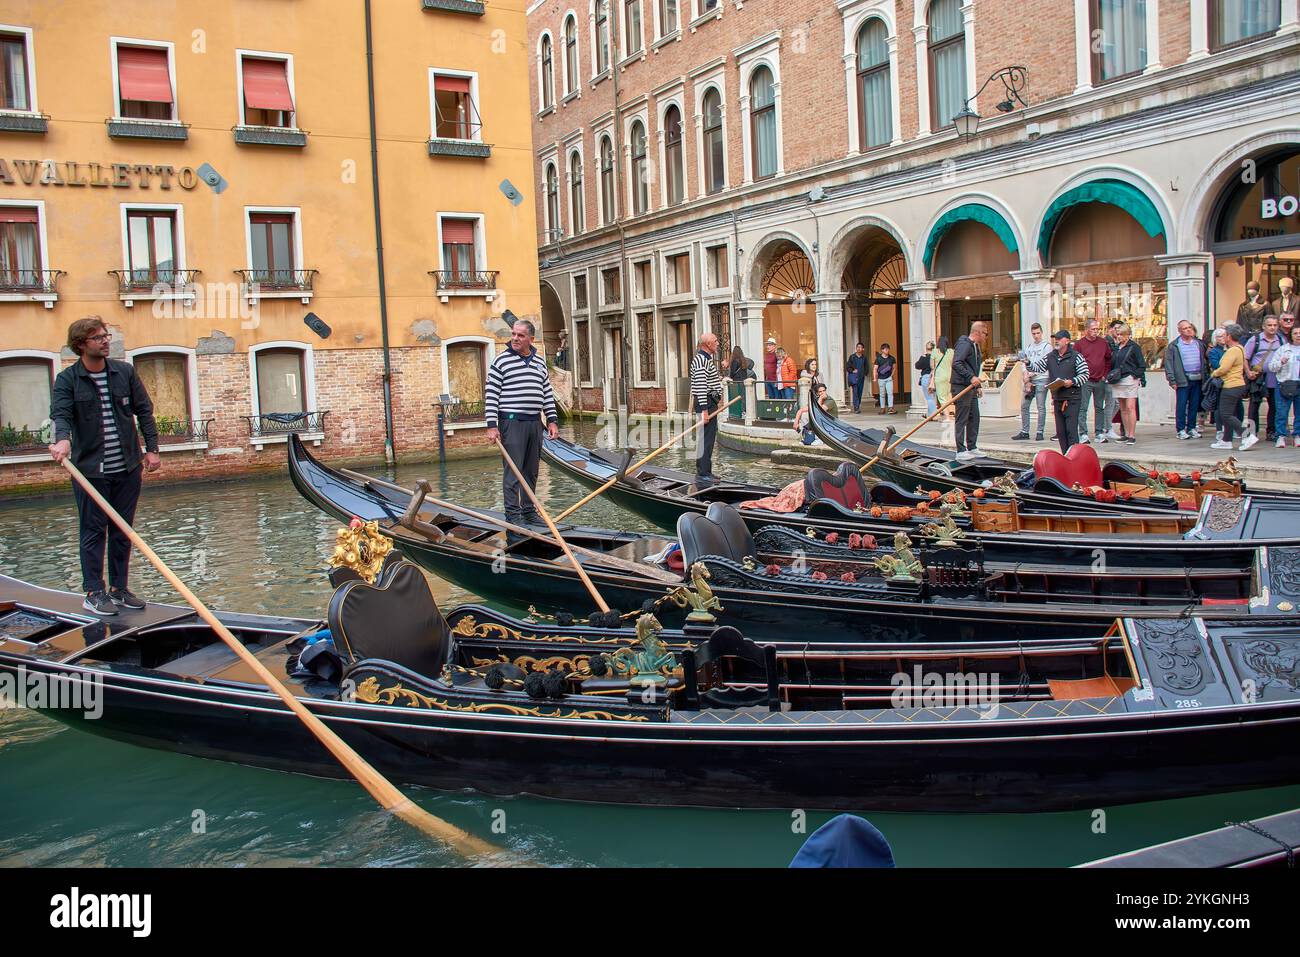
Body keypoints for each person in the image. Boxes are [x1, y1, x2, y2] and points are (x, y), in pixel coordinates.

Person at [48, 317, 161, 616]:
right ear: (81, 345)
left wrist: (152, 450)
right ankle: (94, 592)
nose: (105, 341)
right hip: (90, 472)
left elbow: (144, 412)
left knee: (123, 530)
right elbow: (61, 415)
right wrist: (63, 441)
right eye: (98, 338)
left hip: (127, 467)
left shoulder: (124, 372)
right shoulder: (68, 380)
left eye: (106, 336)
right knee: (93, 531)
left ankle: (119, 589)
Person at [485, 319, 560, 530]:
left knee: (531, 471)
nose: (515, 338)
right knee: (513, 471)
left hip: (534, 423)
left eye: (520, 335)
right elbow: (491, 394)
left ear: (531, 339)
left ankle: (528, 511)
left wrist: (552, 420)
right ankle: (513, 514)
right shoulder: (501, 361)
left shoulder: (539, 362)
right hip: (511, 423)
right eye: (513, 334)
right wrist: (492, 425)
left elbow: (546, 393)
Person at [1026, 330, 1089, 453]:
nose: (1056, 341)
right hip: (1058, 398)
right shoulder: (1051, 356)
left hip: (1072, 398)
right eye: (1055, 338)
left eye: (1059, 338)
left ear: (1067, 341)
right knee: (1060, 432)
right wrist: (1028, 363)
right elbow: (1038, 367)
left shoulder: (1076, 356)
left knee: (1071, 430)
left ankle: (1074, 457)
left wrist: (1072, 381)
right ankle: (1065, 456)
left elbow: (1085, 374)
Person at [1210, 323, 1255, 452]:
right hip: (1237, 384)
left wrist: (1214, 373)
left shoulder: (1233, 350)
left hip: (1231, 385)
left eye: (1224, 335)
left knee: (1225, 414)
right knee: (1228, 413)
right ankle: (1226, 440)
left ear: (1229, 336)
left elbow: (1224, 368)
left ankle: (1247, 435)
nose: (1223, 337)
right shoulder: (1240, 348)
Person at [949, 321, 988, 460]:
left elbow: (973, 367)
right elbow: (956, 363)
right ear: (978, 332)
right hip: (961, 386)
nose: (986, 337)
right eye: (985, 333)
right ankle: (960, 450)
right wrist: (971, 378)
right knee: (962, 417)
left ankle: (972, 446)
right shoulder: (965, 344)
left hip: (970, 387)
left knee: (974, 417)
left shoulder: (975, 346)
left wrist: (977, 385)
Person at [690, 332, 724, 482]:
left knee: (707, 438)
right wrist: (704, 410)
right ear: (708, 344)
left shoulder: (705, 359)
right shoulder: (700, 360)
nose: (718, 343)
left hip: (709, 402)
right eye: (715, 341)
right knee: (706, 439)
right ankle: (703, 473)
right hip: (706, 404)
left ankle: (705, 470)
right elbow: (701, 386)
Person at [1165, 320, 1207, 441]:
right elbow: (1169, 363)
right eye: (1185, 328)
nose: (1188, 330)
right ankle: (1181, 429)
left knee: (1194, 404)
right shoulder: (1174, 346)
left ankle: (1192, 427)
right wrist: (1172, 380)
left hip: (1197, 378)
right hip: (1183, 379)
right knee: (1182, 405)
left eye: (1189, 327)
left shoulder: (1198, 344)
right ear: (1179, 331)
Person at [1243, 315, 1282, 442]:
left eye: (1275, 325)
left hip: (1275, 378)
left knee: (1274, 406)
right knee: (1254, 406)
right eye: (1269, 325)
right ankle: (1251, 433)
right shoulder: (1255, 340)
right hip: (1258, 378)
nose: (1272, 328)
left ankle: (1271, 432)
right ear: (1263, 326)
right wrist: (1248, 372)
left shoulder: (1281, 340)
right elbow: (1245, 357)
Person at [1074, 320, 1113, 444]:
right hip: (1085, 380)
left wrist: (1105, 374)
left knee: (1099, 407)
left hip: (1100, 379)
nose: (1096, 331)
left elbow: (1108, 359)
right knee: (1083, 407)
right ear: (1086, 330)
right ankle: (1083, 433)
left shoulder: (1103, 343)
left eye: (1097, 329)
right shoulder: (1079, 344)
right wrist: (1080, 376)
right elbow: (1075, 361)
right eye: (1093, 329)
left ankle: (1099, 433)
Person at [1011, 323, 1051, 441]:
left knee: (1040, 406)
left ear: (1042, 332)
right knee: (1024, 405)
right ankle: (1025, 431)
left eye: (1038, 333)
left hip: (1041, 378)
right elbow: (1024, 362)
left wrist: (1032, 372)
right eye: (1034, 333)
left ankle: (1040, 431)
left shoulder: (1047, 347)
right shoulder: (1029, 347)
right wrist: (1026, 376)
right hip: (1029, 379)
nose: (1036, 336)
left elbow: (1046, 364)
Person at [1108, 322, 1146, 445]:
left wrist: (1136, 376)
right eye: (1117, 334)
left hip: (1130, 379)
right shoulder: (1116, 347)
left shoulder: (1134, 347)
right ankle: (1125, 433)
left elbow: (1141, 364)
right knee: (1123, 408)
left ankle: (1131, 435)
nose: (1118, 336)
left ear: (1127, 335)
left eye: (1121, 334)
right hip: (1118, 380)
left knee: (1130, 407)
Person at [1268, 324, 1300, 447]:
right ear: (1291, 335)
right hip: (1284, 384)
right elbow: (1272, 366)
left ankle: (1297, 435)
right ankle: (1280, 436)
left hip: (1299, 383)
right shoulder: (1283, 349)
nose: (1298, 335)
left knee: (1299, 413)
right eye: (1296, 333)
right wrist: (1281, 362)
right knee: (1281, 412)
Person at [929, 336, 952, 414]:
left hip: (939, 376)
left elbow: (932, 366)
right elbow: (953, 364)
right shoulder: (951, 351)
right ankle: (950, 413)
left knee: (942, 398)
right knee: (948, 395)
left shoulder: (935, 351)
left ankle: (947, 416)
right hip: (949, 376)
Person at [873, 343, 897, 414]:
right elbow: (875, 368)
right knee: (882, 394)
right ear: (882, 350)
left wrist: (892, 375)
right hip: (881, 379)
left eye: (888, 349)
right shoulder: (878, 359)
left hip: (889, 378)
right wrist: (875, 378)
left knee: (890, 393)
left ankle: (891, 408)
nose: (887, 350)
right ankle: (882, 408)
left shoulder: (892, 358)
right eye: (885, 349)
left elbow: (894, 367)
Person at [845, 342, 868, 413]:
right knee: (855, 392)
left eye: (860, 347)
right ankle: (856, 407)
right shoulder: (852, 357)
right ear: (856, 348)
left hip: (861, 378)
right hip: (854, 378)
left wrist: (865, 373)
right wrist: (852, 371)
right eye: (858, 347)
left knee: (859, 392)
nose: (859, 348)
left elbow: (866, 367)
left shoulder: (864, 358)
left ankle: (858, 405)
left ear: (863, 349)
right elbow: (848, 366)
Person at [915, 342, 935, 416]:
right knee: (933, 398)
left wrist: (922, 357)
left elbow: (917, 366)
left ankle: (933, 414)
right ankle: (930, 415)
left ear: (926, 348)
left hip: (926, 377)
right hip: (935, 377)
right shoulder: (936, 357)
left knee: (929, 398)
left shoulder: (924, 357)